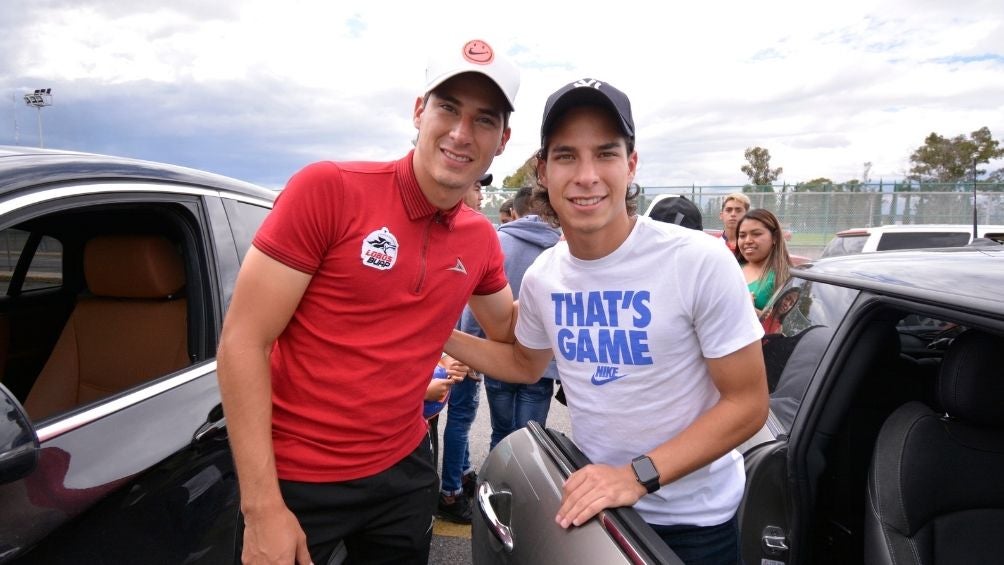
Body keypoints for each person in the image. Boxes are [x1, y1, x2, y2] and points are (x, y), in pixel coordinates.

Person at [216, 38, 521, 565]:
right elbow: (243, 341)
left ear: (503, 139)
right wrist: (262, 508)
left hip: (403, 469)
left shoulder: (480, 240)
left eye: (484, 119)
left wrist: (583, 266)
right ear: (419, 110)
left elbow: (512, 336)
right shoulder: (329, 189)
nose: (460, 133)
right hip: (297, 476)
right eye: (447, 107)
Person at [445, 78, 768, 564]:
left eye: (606, 154)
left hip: (693, 524)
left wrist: (635, 475)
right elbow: (523, 363)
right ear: (544, 171)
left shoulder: (698, 260)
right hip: (601, 514)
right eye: (567, 155)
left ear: (631, 164)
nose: (587, 175)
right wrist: (433, 332)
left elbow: (747, 403)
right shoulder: (544, 276)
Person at [479, 185, 561, 449]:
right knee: (532, 442)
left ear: (514, 211)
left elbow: (477, 301)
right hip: (542, 363)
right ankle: (527, 490)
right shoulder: (563, 247)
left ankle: (494, 487)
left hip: (498, 355)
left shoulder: (496, 242)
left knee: (500, 433)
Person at [735, 208, 793, 314]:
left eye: (756, 234)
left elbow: (782, 326)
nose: (747, 241)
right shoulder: (732, 267)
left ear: (775, 237)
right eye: (742, 236)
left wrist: (753, 311)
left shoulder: (783, 278)